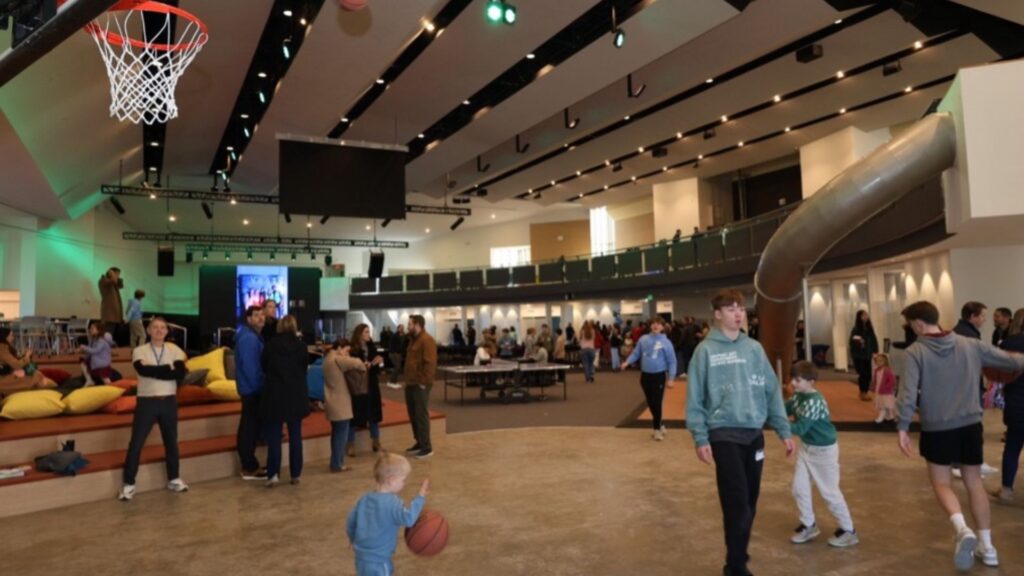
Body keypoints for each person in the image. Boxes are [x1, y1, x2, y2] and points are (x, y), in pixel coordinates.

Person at [896, 301, 1024, 570]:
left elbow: (907, 394)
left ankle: (962, 528)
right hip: (971, 425)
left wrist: (903, 427)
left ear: (918, 323)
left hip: (937, 428)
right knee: (973, 482)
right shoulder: (971, 344)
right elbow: (1012, 361)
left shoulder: (915, 352)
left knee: (942, 483)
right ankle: (988, 547)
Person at [686, 289, 794, 576]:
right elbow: (695, 398)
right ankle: (736, 566)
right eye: (731, 309)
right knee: (736, 504)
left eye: (741, 309)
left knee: (749, 504)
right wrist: (700, 437)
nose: (738, 314)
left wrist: (783, 430)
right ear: (718, 314)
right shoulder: (705, 351)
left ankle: (736, 560)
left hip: (753, 434)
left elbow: (771, 391)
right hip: (723, 434)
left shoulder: (754, 349)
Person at [786, 361, 859, 548]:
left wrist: (778, 423)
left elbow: (800, 428)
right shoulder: (798, 396)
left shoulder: (814, 401)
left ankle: (849, 531)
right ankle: (809, 525)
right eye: (793, 378)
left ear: (811, 382)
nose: (793, 383)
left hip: (824, 452)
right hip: (807, 449)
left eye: (798, 380)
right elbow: (784, 410)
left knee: (829, 493)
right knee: (799, 488)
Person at [117, 317, 188, 502]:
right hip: (146, 402)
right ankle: (128, 484)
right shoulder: (140, 350)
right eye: (155, 327)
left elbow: (180, 373)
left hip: (169, 401)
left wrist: (157, 370)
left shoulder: (175, 350)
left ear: (167, 331)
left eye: (162, 328)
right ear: (148, 330)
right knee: (136, 443)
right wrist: (167, 369)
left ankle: (174, 478)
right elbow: (143, 371)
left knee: (171, 442)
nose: (159, 330)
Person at [347, 454, 430, 576]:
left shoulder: (364, 499)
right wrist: (420, 497)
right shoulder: (393, 503)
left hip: (361, 559)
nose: (404, 483)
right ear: (391, 480)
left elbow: (351, 522)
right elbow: (409, 519)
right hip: (379, 561)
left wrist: (352, 539)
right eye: (403, 480)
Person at [260, 314, 310, 487]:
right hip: (296, 395)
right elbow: (304, 368)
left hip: (275, 395)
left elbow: (264, 366)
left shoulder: (270, 345)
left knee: (274, 436)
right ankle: (296, 474)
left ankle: (273, 474)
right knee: (296, 435)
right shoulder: (301, 346)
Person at [952, 301, 999, 477]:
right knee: (967, 426)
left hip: (970, 386)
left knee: (975, 425)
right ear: (973, 316)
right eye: (983, 316)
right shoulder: (965, 335)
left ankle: (975, 461)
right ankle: (961, 464)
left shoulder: (967, 332)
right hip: (966, 388)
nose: (985, 320)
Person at [622, 317, 677, 441]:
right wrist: (627, 362)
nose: (655, 326)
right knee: (651, 403)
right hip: (645, 376)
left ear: (662, 327)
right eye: (653, 324)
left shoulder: (666, 342)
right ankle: (660, 424)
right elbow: (636, 353)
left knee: (656, 403)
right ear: (650, 326)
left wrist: (671, 378)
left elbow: (672, 361)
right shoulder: (643, 339)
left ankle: (656, 429)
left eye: (658, 324)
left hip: (659, 376)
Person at [994, 308, 1024, 503]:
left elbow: (999, 372)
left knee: (1012, 446)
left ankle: (1006, 490)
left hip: (1016, 401)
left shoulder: (1009, 343)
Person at [234, 305, 266, 480]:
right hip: (252, 389)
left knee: (250, 426)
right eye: (256, 315)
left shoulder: (253, 336)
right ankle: (248, 466)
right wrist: (261, 386)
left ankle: (250, 464)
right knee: (249, 428)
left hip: (251, 388)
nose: (261, 317)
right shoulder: (249, 339)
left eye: (262, 314)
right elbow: (251, 368)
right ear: (248, 319)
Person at [323, 338, 362, 473]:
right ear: (339, 348)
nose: (347, 353)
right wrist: (349, 357)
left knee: (336, 434)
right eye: (346, 350)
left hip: (331, 401)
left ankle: (336, 462)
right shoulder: (337, 359)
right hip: (341, 402)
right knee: (341, 435)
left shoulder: (327, 359)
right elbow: (358, 363)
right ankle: (338, 464)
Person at [404, 314, 437, 459]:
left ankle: (426, 447)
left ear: (417, 325)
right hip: (411, 383)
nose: (408, 326)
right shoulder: (413, 340)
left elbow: (430, 364)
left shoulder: (427, 340)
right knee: (413, 414)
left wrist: (424, 382)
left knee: (421, 415)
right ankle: (419, 442)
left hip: (420, 384)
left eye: (409, 324)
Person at [349, 323, 385, 456]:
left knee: (373, 414)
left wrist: (377, 363)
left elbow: (377, 367)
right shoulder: (353, 350)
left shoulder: (372, 347)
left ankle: (376, 441)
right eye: (366, 332)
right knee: (354, 414)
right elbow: (352, 368)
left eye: (368, 331)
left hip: (372, 385)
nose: (368, 334)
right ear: (359, 334)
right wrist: (366, 365)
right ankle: (350, 443)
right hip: (358, 386)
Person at [0, 327, 55, 396]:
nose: (13, 338)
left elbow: (14, 361)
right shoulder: (2, 348)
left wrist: (24, 356)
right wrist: (26, 357)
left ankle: (50, 388)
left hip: (9, 373)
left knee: (35, 373)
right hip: (4, 379)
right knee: (35, 376)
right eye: (11, 335)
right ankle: (52, 390)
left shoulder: (4, 347)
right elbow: (17, 365)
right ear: (5, 337)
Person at [849, 310, 878, 401]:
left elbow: (874, 340)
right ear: (859, 317)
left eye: (866, 315)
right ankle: (862, 392)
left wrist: (875, 351)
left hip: (867, 355)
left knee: (869, 374)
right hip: (858, 355)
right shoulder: (856, 329)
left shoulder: (869, 328)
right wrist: (859, 342)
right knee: (863, 374)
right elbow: (851, 341)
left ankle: (865, 391)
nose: (866, 317)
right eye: (863, 315)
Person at [79, 321, 114, 386]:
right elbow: (90, 349)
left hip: (101, 363)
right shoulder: (94, 339)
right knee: (83, 362)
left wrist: (84, 348)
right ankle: (89, 380)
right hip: (96, 361)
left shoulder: (101, 340)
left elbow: (95, 350)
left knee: (105, 379)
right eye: (90, 328)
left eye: (92, 328)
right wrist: (83, 352)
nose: (90, 330)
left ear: (98, 330)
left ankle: (112, 388)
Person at [872, 353, 896, 424]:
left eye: (881, 361)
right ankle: (890, 417)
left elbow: (892, 380)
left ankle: (880, 419)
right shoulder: (877, 370)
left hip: (886, 392)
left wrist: (886, 387)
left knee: (883, 406)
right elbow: (876, 380)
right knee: (886, 405)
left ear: (885, 361)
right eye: (877, 361)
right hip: (879, 391)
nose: (878, 362)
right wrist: (874, 387)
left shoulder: (887, 370)